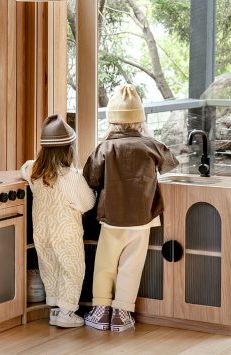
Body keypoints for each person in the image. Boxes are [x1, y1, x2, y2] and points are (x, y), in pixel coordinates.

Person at [83, 84, 179, 332]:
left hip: (112, 218)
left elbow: (91, 179)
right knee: (131, 265)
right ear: (140, 120)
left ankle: (101, 310)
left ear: (112, 121)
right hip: (142, 218)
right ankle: (122, 313)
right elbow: (171, 165)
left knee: (105, 264)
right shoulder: (151, 145)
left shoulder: (104, 148)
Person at [21, 114, 96, 328]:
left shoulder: (33, 171)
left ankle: (54, 308)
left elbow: (23, 167)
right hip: (66, 232)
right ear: (69, 149)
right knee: (72, 269)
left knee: (50, 267)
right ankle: (66, 313)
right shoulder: (70, 176)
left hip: (42, 232)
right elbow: (88, 202)